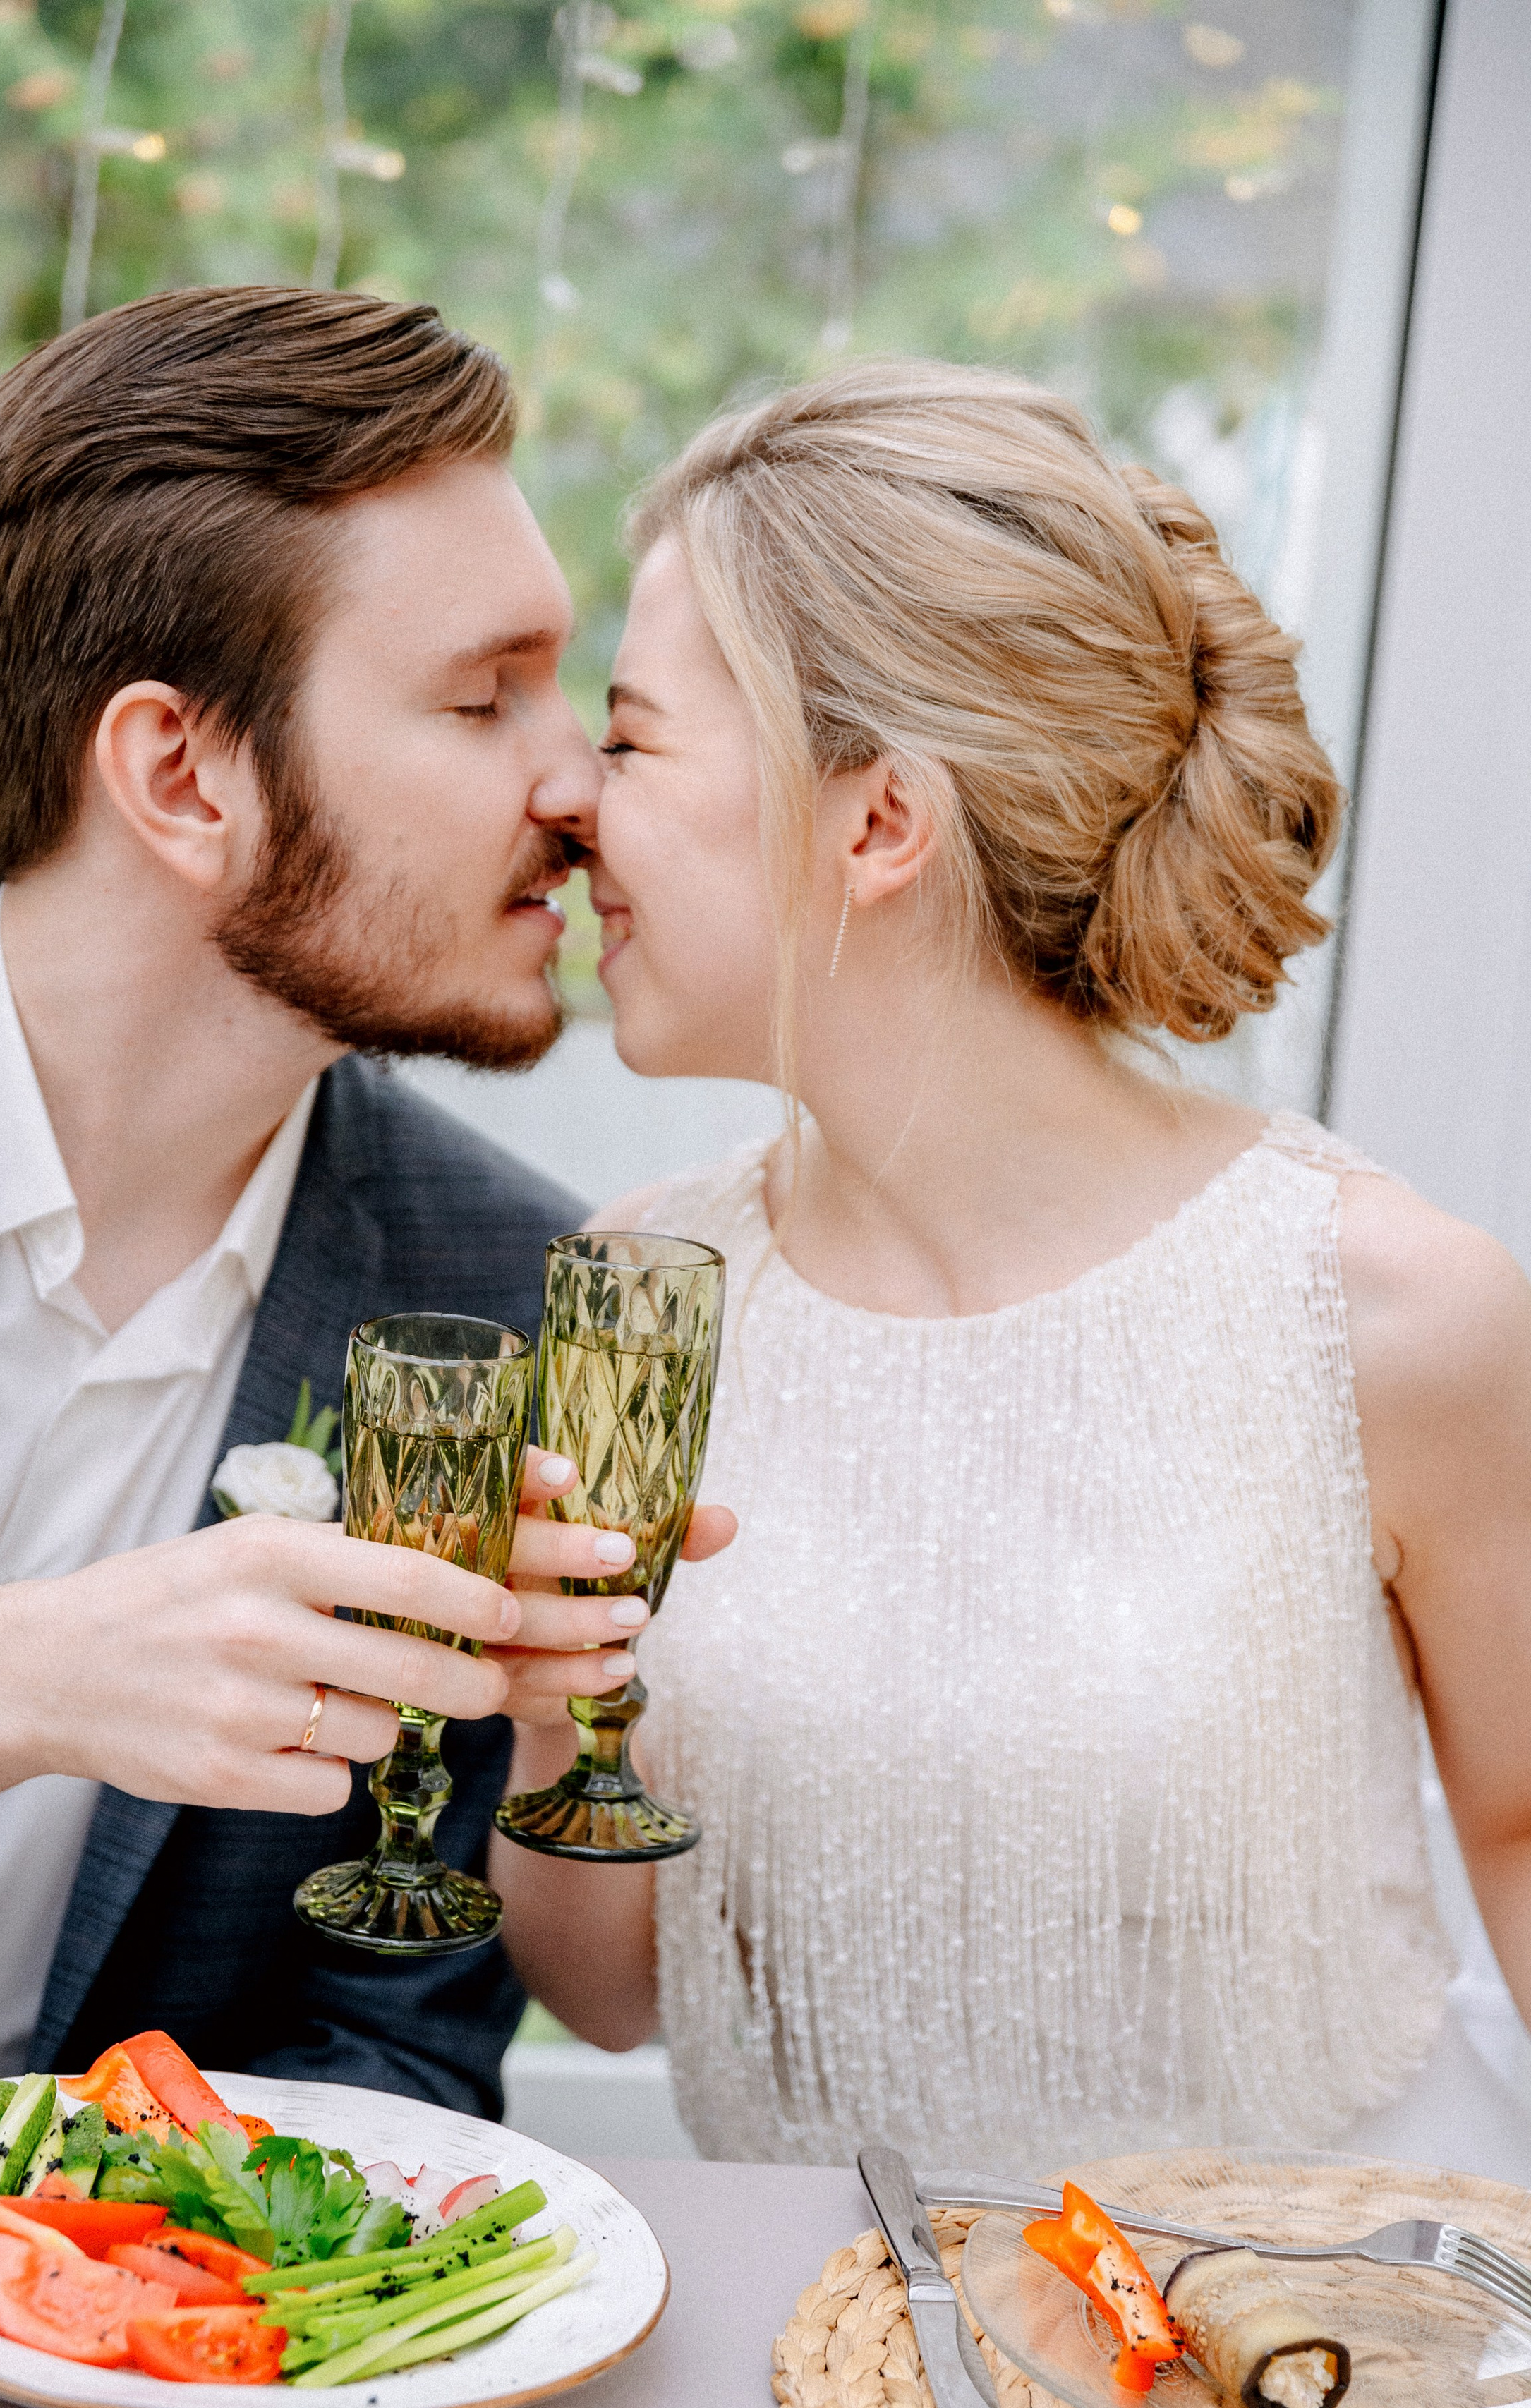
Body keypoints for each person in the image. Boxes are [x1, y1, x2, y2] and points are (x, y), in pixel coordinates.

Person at [494, 358, 1531, 2181]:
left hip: (1301, 2381)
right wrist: (533, 1688)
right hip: (835, 2385)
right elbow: (610, 1997)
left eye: (639, 738)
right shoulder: (641, 1291)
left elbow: (1522, 1831)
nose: (569, 793)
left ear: (878, 823)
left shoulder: (1385, 1318)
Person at [0, 284, 729, 2130]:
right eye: (480, 697)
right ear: (183, 773)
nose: (580, 786)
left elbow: (398, 2045)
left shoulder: (496, 1294)